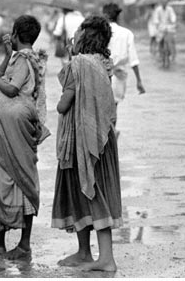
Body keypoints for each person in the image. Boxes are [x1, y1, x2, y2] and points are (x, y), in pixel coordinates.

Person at [0, 15, 49, 260]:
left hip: (16, 128)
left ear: (15, 33)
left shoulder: (23, 60)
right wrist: (7, 55)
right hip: (15, 128)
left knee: (18, 180)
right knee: (4, 177)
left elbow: (12, 87)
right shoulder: (29, 58)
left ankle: (24, 245)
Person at [53, 15, 122, 272]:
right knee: (85, 191)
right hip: (101, 137)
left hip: (83, 140)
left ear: (84, 36)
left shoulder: (79, 64)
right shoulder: (104, 63)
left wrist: (72, 57)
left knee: (93, 192)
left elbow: (63, 105)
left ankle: (105, 259)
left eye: (79, 31)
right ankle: (84, 253)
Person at [102, 3, 145, 134]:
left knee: (102, 107)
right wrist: (139, 81)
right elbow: (133, 59)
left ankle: (107, 134)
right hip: (119, 76)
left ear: (105, 15)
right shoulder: (127, 33)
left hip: (102, 73)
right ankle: (112, 133)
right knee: (114, 107)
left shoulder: (101, 32)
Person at [152, 0, 177, 66]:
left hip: (169, 27)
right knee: (160, 41)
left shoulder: (170, 9)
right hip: (161, 28)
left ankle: (172, 54)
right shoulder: (158, 10)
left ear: (167, 3)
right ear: (161, 3)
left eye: (165, 2)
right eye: (163, 2)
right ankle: (160, 54)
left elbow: (173, 16)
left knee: (171, 41)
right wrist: (157, 23)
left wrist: (173, 21)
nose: (164, 3)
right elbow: (156, 18)